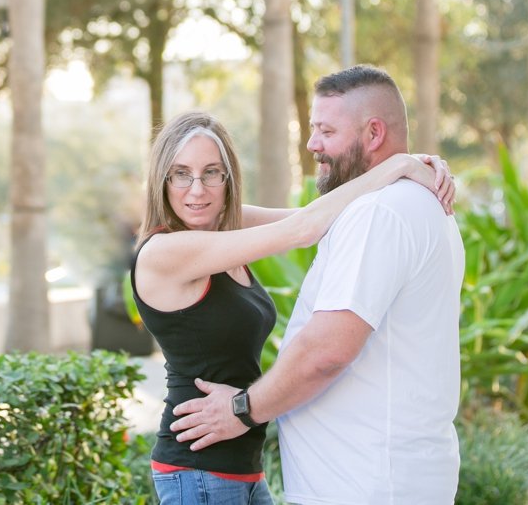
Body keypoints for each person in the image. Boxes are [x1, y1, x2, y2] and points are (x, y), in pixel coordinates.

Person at [169, 67, 466, 505]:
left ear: (373, 133)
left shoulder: (379, 214)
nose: (312, 144)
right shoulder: (412, 203)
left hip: (364, 485)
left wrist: (240, 411)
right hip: (384, 478)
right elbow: (299, 219)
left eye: (326, 130)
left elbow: (325, 352)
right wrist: (402, 164)